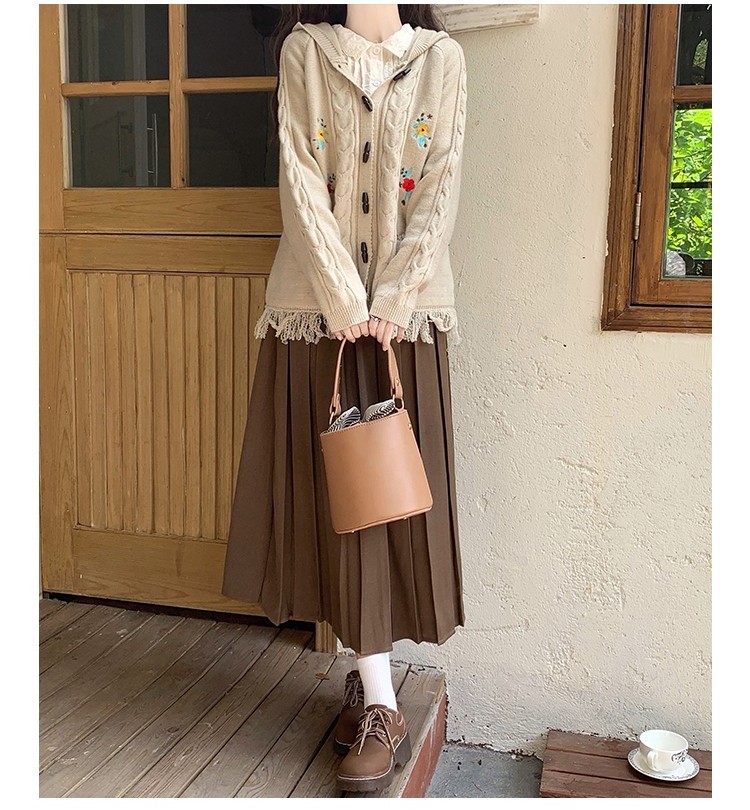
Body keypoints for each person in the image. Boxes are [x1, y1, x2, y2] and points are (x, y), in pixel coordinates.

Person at [221, 3, 467, 793]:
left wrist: (392, 298)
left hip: (404, 324)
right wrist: (342, 298)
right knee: (336, 505)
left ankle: (374, 693)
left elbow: (441, 185)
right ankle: (378, 697)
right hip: (318, 319)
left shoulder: (441, 60)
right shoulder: (304, 51)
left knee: (387, 507)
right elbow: (299, 176)